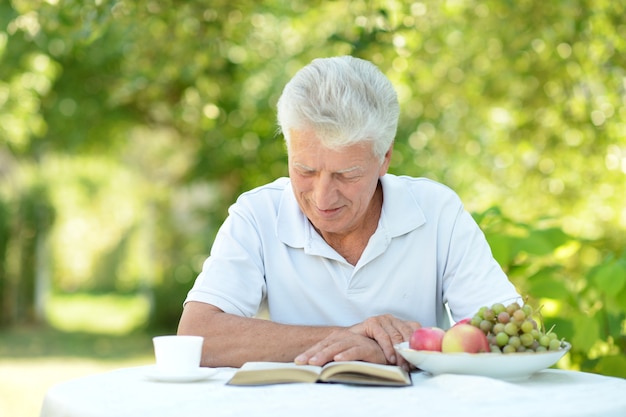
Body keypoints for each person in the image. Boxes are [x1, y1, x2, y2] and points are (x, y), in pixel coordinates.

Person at [177, 56, 521, 370]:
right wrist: (352, 337)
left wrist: (400, 351)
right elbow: (196, 337)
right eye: (305, 170)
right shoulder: (257, 214)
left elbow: (511, 335)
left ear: (384, 158)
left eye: (347, 175)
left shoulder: (437, 211)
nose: (322, 196)